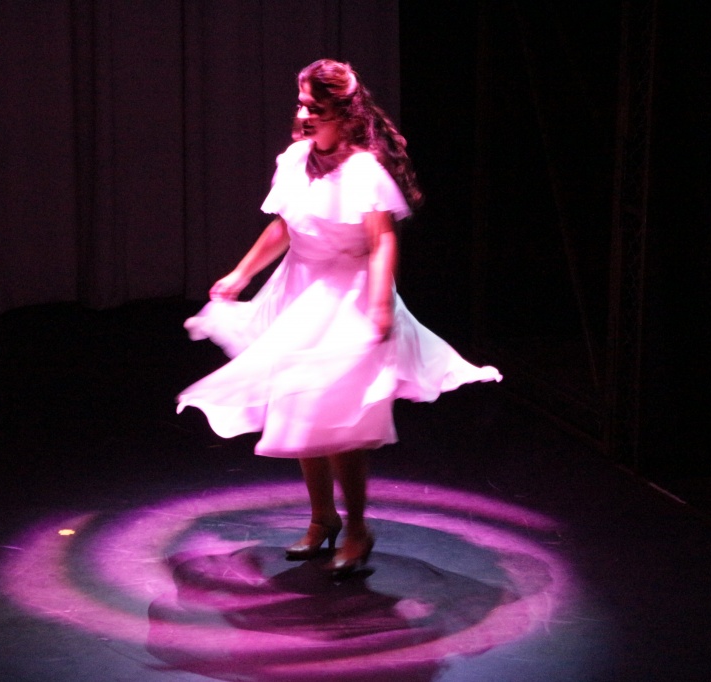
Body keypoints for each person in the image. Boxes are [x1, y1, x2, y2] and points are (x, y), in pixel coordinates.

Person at [176, 59, 500, 576]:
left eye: (316, 108)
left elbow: (382, 240)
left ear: (345, 116)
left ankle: (357, 528)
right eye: (302, 103)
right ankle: (322, 518)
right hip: (302, 289)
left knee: (339, 418)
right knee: (302, 406)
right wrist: (241, 274)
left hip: (347, 294)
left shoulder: (363, 171)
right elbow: (284, 226)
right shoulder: (295, 160)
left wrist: (379, 302)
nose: (304, 114)